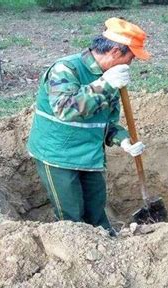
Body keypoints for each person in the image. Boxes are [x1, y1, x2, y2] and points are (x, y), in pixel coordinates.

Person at [27, 17, 150, 236]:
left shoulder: (110, 77)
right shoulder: (66, 69)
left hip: (90, 155)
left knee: (96, 211)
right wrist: (105, 84)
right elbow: (65, 109)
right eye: (130, 58)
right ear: (114, 52)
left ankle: (108, 245)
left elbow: (106, 122)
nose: (130, 65)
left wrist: (122, 138)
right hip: (57, 155)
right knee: (71, 216)